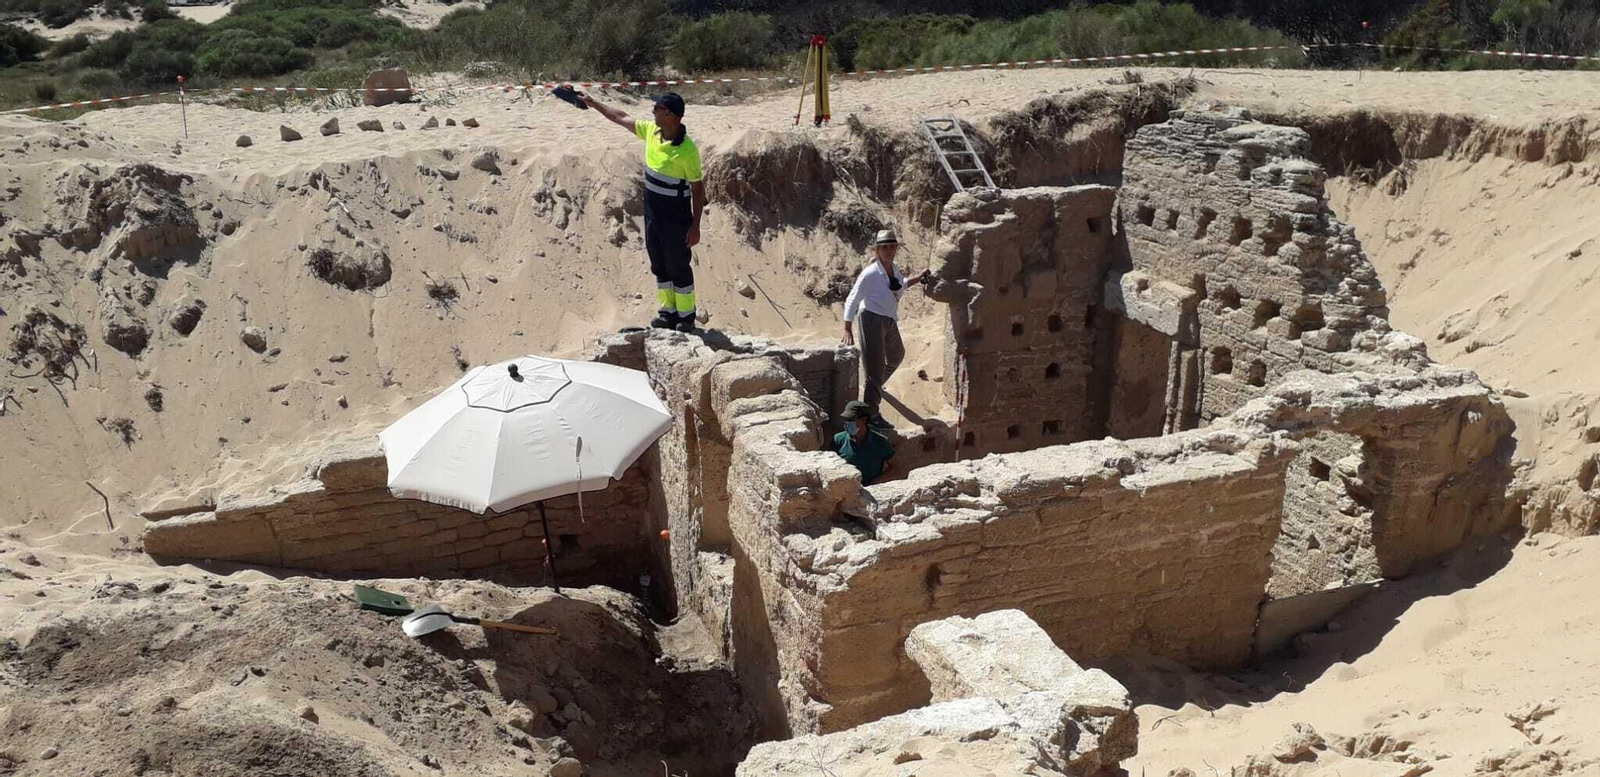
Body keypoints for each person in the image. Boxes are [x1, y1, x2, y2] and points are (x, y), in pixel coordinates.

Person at [580, 90, 706, 332]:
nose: (652, 112)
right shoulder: (651, 132)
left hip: (676, 216)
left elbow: (698, 190)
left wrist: (695, 225)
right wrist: (593, 102)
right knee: (659, 264)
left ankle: (686, 318)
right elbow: (620, 117)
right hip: (652, 214)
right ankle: (667, 313)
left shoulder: (688, 150)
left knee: (678, 265)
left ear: (669, 115)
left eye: (657, 108)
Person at [841, 229, 929, 429]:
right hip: (870, 319)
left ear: (896, 248)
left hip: (888, 320)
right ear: (878, 250)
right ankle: (871, 414)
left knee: (897, 355)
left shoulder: (893, 268)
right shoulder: (870, 273)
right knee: (874, 369)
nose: (889, 250)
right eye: (884, 247)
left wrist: (919, 278)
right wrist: (847, 327)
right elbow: (853, 298)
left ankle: (875, 388)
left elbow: (899, 285)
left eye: (892, 246)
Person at [832, 401, 895, 485]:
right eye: (845, 419)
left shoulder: (880, 442)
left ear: (864, 420)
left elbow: (895, 467)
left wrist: (877, 482)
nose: (847, 423)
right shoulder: (838, 440)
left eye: (851, 419)